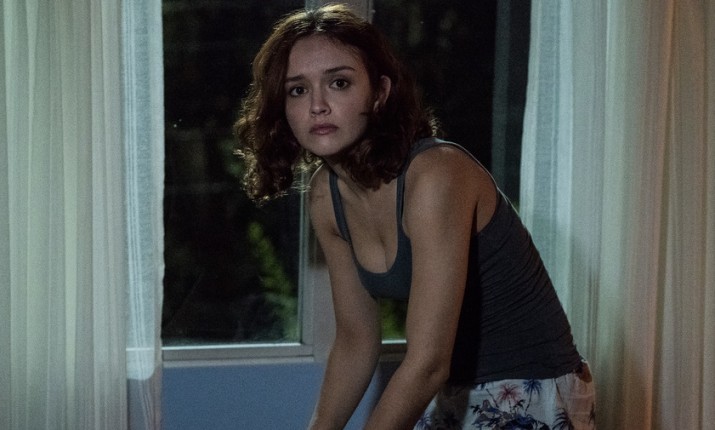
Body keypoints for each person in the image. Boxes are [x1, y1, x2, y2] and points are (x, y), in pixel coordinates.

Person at [235, 4, 596, 429]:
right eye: (297, 90)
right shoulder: (325, 195)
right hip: (450, 391)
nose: (317, 105)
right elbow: (355, 342)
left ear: (380, 93)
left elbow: (428, 363)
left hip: (532, 387)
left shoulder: (436, 175)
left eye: (339, 83)